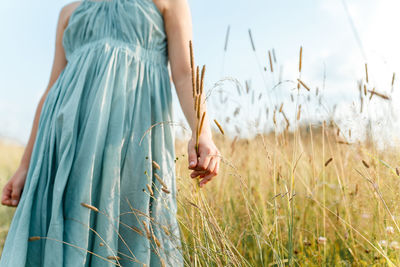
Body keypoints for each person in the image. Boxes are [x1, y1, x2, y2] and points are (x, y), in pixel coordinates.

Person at [0, 0, 221, 265]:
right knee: (66, 231)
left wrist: (202, 133)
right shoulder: (69, 12)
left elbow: (185, 73)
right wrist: (25, 166)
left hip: (130, 145)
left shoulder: (168, 2)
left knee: (131, 231)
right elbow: (51, 89)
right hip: (67, 147)